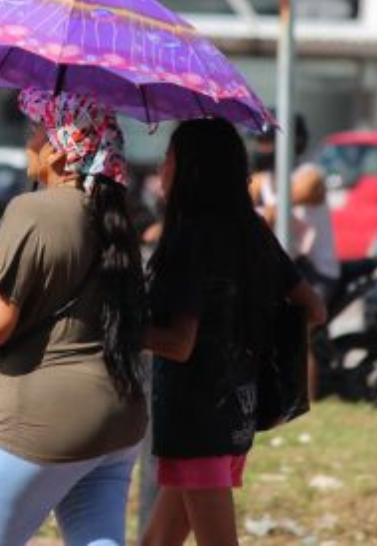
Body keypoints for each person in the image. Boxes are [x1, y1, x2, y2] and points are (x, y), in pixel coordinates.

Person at [0, 87, 148, 546]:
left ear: (61, 149)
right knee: (97, 538)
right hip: (121, 416)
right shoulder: (116, 221)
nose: (29, 140)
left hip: (45, 419)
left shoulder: (31, 210)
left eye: (37, 128)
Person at [141, 118, 326, 546]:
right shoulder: (252, 231)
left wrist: (112, 327)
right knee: (156, 542)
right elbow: (312, 309)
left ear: (189, 170)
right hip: (236, 412)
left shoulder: (187, 239)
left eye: (168, 158)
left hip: (195, 417)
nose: (161, 170)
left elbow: (178, 343)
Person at [248, 114, 340, 399]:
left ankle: (304, 401)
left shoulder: (309, 175)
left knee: (299, 330)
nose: (262, 147)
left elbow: (294, 198)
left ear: (293, 143)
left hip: (314, 270)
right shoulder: (263, 179)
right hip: (282, 267)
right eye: (259, 140)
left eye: (268, 141)